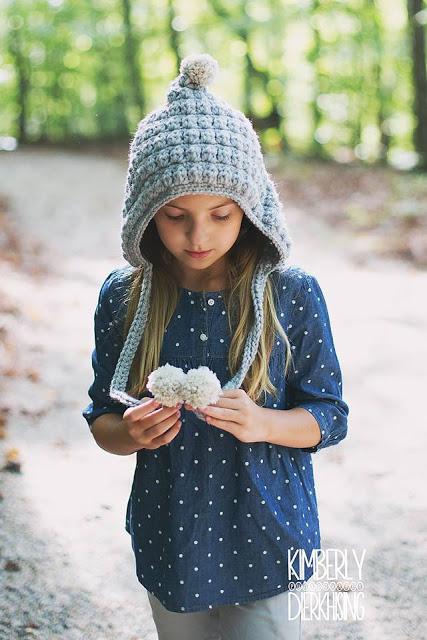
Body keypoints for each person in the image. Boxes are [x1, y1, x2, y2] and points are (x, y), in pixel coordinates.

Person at [82, 53, 350, 640]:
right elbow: (102, 418)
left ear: (250, 209)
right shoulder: (126, 297)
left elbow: (330, 417)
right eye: (175, 215)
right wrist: (130, 433)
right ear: (146, 214)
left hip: (271, 537)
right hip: (171, 536)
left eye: (221, 214)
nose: (198, 236)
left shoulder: (291, 294)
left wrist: (263, 424)